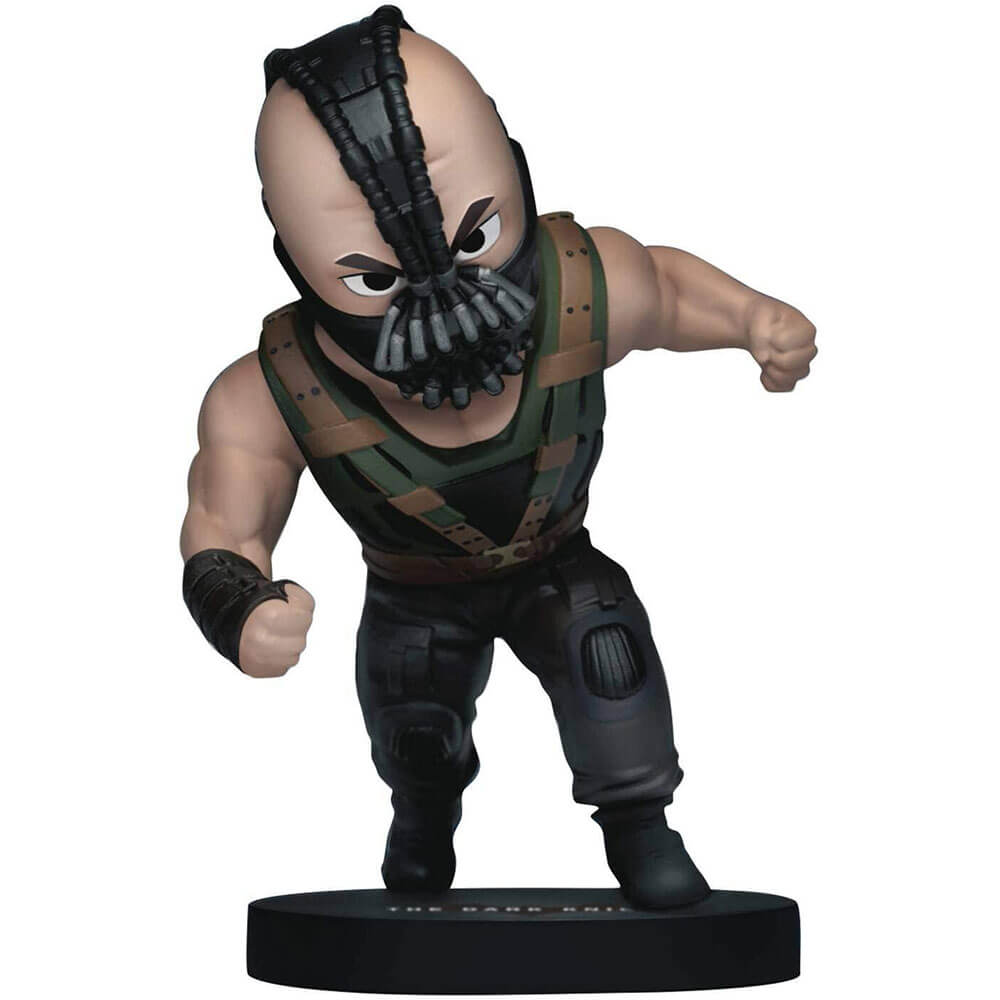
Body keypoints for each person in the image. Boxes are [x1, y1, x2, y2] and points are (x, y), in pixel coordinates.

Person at [180, 6, 816, 908]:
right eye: (374, 279)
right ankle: (422, 815)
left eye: (474, 238)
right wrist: (237, 603)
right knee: (416, 733)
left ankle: (641, 828)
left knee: (608, 662)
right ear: (299, 262)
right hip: (413, 589)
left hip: (556, 559)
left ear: (513, 174)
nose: (443, 299)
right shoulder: (274, 388)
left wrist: (753, 319)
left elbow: (668, 291)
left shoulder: (581, 287)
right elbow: (223, 520)